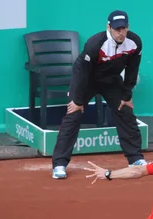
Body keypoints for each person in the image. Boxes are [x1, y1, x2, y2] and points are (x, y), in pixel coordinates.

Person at [51, 10, 147, 180]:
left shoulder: (135, 42)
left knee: (125, 111)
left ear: (128, 27)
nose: (120, 32)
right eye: (117, 29)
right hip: (87, 80)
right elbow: (82, 72)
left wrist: (126, 94)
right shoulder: (95, 43)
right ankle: (59, 164)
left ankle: (135, 159)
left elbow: (132, 69)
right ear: (108, 27)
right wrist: (78, 100)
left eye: (123, 28)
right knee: (73, 114)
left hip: (111, 81)